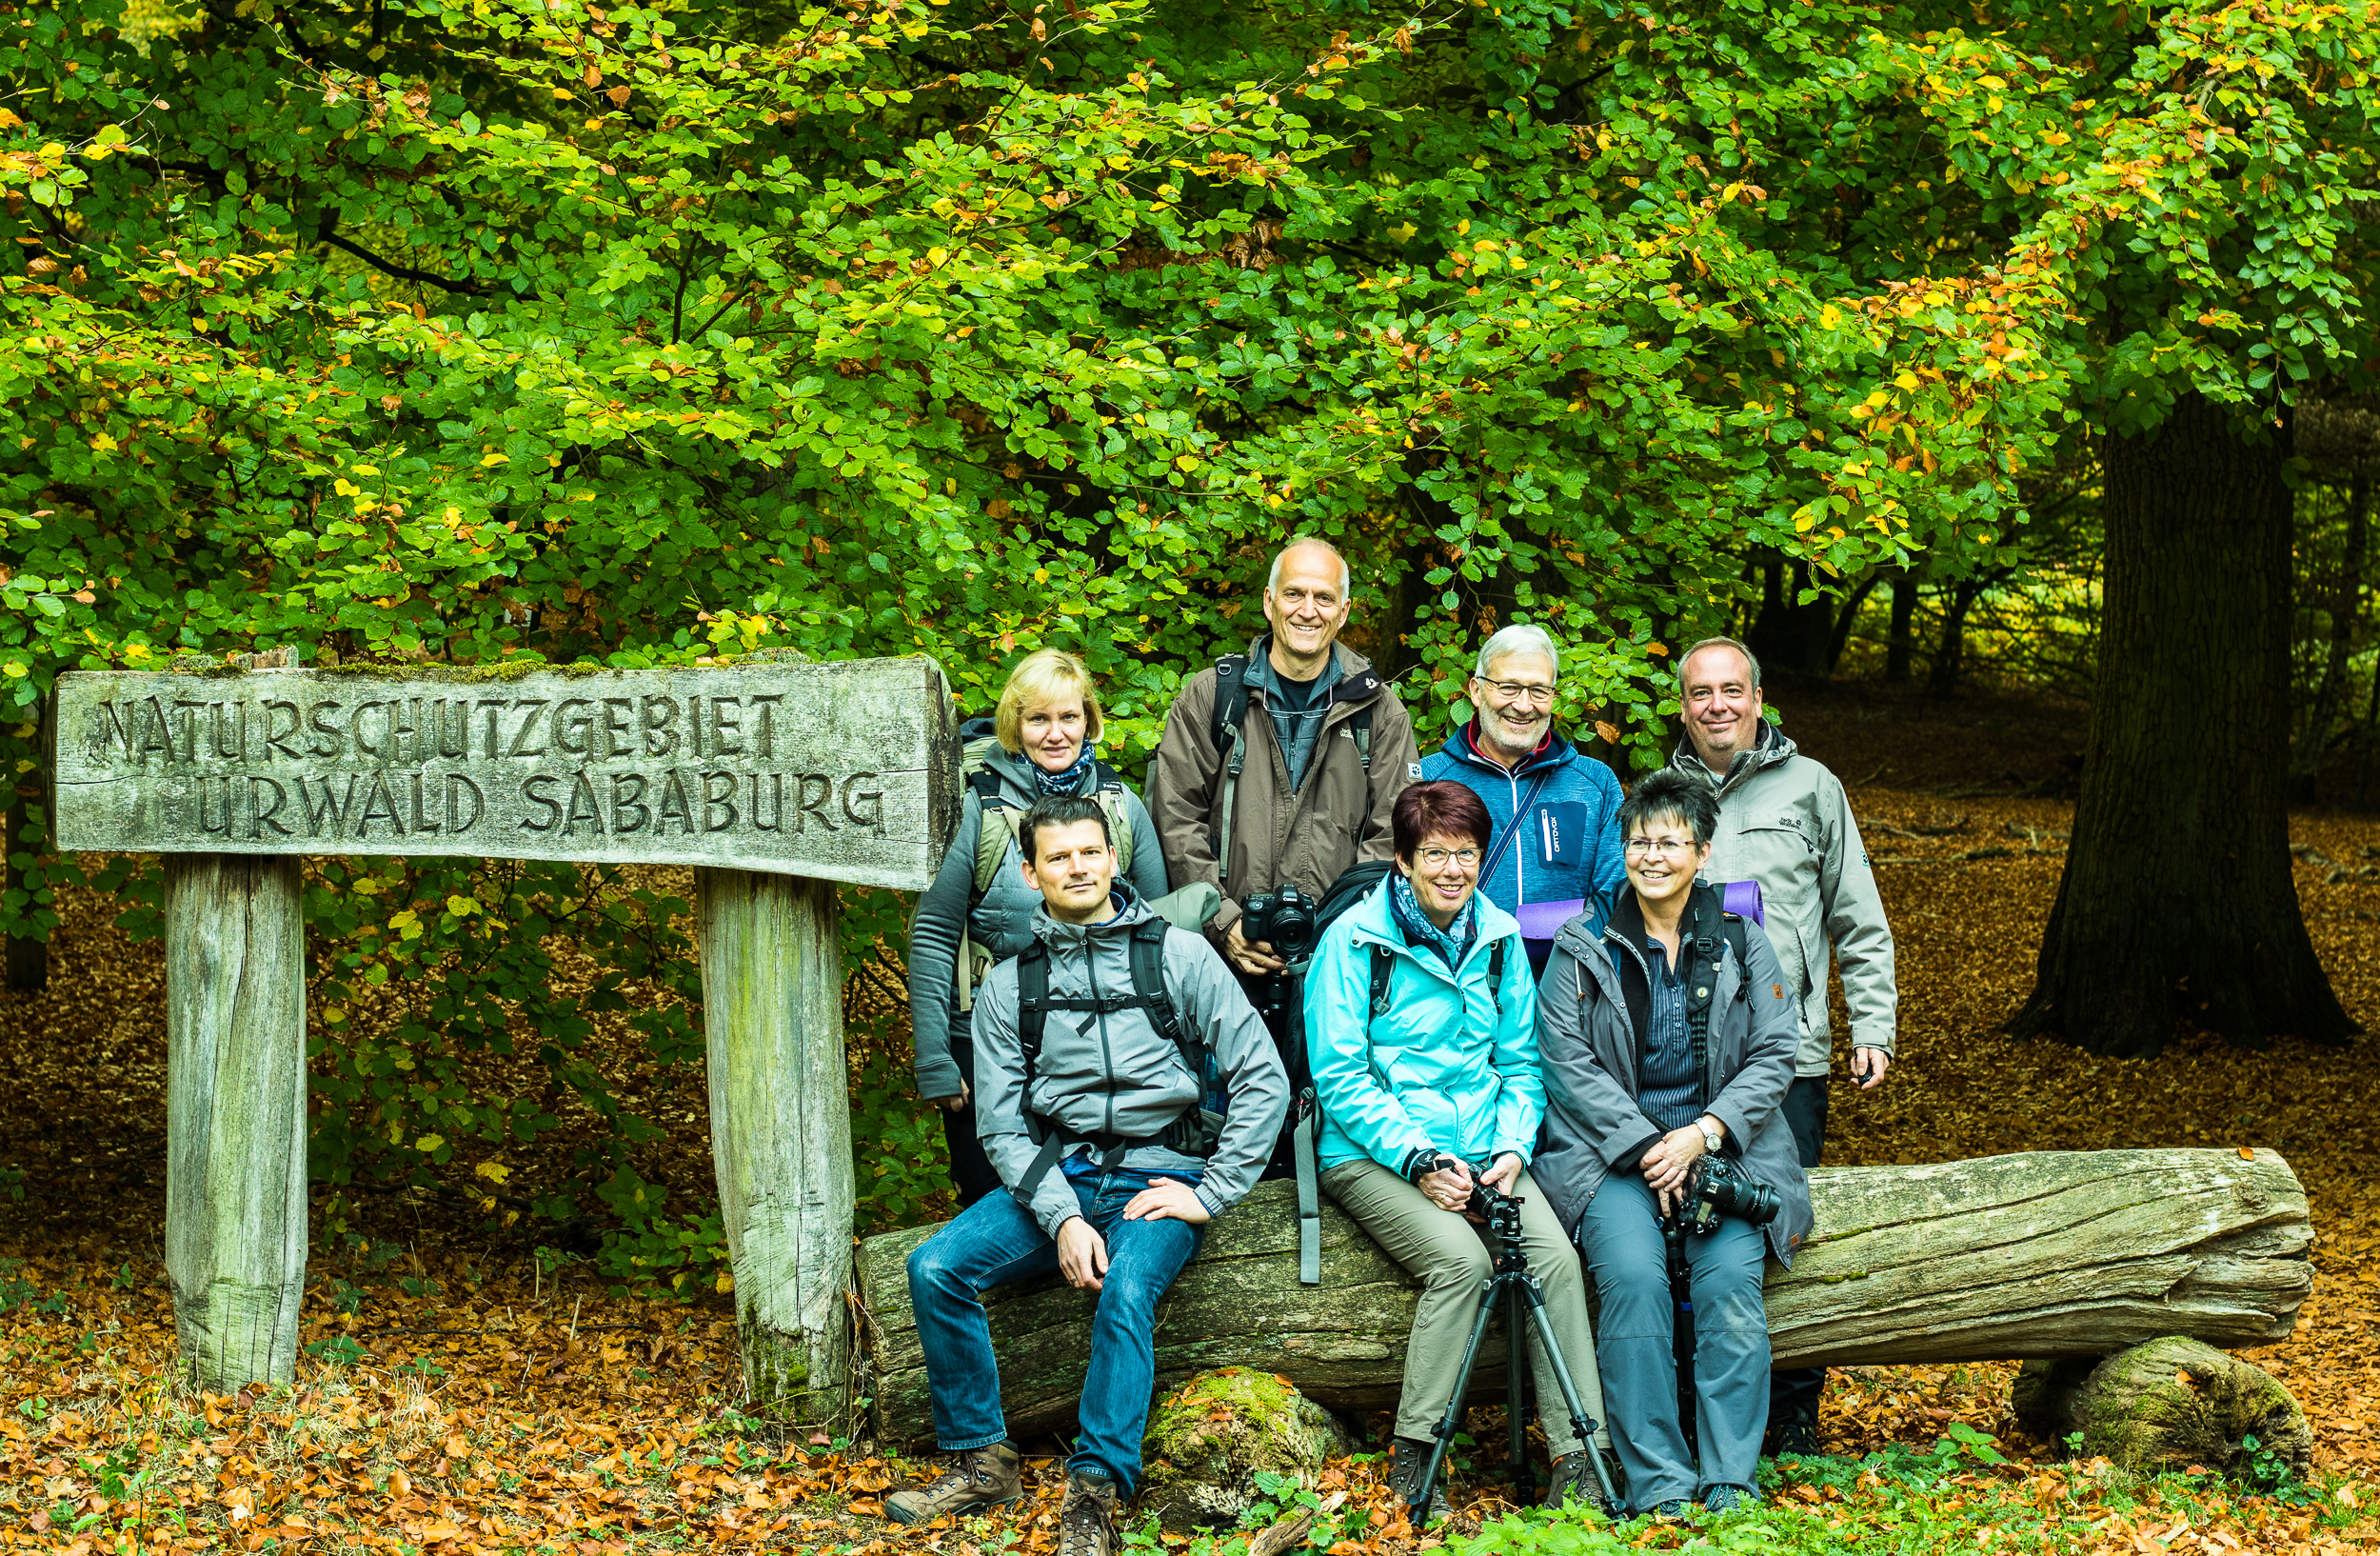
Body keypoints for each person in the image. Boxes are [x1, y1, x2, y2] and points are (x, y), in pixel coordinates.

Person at [888, 795, 1287, 1556]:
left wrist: (1211, 1191)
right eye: (1057, 857)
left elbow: (1260, 1077)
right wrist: (1063, 1217)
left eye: (1088, 852)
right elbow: (1001, 1123)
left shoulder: (1179, 954)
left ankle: (1096, 1489)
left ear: (1112, 858)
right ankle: (983, 1460)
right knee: (935, 1267)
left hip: (1164, 1173)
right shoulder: (1011, 984)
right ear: (1032, 875)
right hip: (1063, 1171)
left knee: (1127, 1291)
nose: (1077, 867)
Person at [1303, 780, 1609, 1519]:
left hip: (1483, 1151)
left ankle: (1580, 1458)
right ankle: (1419, 1457)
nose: (1452, 869)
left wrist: (1510, 1149)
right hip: (1371, 1152)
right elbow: (1339, 1074)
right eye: (1435, 854)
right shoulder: (1353, 942)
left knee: (1557, 1261)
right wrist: (1419, 1161)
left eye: (1466, 854)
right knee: (1463, 1263)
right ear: (1404, 859)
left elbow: (1520, 1064)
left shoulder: (1499, 939)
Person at [1530, 768, 1814, 1518]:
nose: (1651, 855)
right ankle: (1658, 1479)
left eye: (1668, 841)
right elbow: (1564, 1061)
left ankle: (1728, 1476)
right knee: (1633, 1284)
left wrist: (1701, 1134)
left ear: (1703, 851)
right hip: (1611, 1158)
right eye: (1637, 841)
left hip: (1725, 1153)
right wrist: (1649, 1150)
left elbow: (1775, 1052)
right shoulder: (1581, 944)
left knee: (1727, 1288)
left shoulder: (1743, 941)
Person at [1669, 635, 1894, 1457]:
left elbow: (1858, 917)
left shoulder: (1813, 787)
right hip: (1683, 1058)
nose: (1717, 706)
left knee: (1780, 1224)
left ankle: (1792, 1408)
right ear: (1683, 705)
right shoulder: (1660, 795)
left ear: (1759, 698)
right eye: (1702, 693)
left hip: (1788, 1053)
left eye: (1732, 690)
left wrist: (1872, 1027)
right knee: (1689, 1226)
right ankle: (1699, 1403)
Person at [907, 648, 1171, 1206]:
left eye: (1069, 717)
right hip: (986, 1039)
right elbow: (933, 931)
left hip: (1104, 1043)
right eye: (1038, 719)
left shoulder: (1120, 807)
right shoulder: (976, 808)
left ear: (1089, 721)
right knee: (994, 1202)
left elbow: (1160, 931)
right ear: (1015, 725)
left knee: (1093, 1202)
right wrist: (934, 1054)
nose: (1056, 733)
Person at [1147, 536, 1418, 979]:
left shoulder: (1378, 709)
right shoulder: (1213, 696)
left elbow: (1395, 828)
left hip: (1340, 959)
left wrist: (1339, 928)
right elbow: (1176, 816)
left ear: (1344, 611)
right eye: (1294, 594)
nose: (1308, 610)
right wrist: (1224, 921)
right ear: (1270, 602)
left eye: (1324, 598)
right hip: (1219, 960)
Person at [1418, 624, 1626, 975]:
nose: (1523, 705)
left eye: (1538, 691)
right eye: (1509, 687)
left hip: (1565, 985)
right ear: (1476, 690)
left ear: (1553, 697)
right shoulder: (1428, 780)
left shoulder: (1596, 784)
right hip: (1453, 982)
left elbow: (1616, 894)